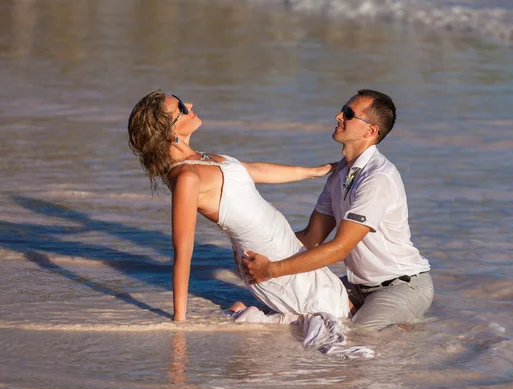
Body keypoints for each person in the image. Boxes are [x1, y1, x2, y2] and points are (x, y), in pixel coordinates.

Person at [127, 90, 350, 322]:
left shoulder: (204, 158)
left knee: (337, 305)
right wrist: (179, 320)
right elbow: (183, 251)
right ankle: (248, 315)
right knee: (331, 313)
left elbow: (254, 170)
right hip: (271, 264)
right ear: (169, 131)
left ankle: (248, 313)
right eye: (181, 107)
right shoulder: (186, 177)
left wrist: (314, 172)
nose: (189, 104)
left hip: (287, 250)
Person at [242, 89, 434, 331]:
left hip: (402, 286)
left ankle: (414, 342)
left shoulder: (377, 178)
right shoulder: (339, 174)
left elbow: (340, 249)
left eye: (348, 113)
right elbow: (311, 238)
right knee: (288, 311)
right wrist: (256, 251)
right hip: (357, 286)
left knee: (357, 335)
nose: (338, 116)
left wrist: (271, 269)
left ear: (370, 131)